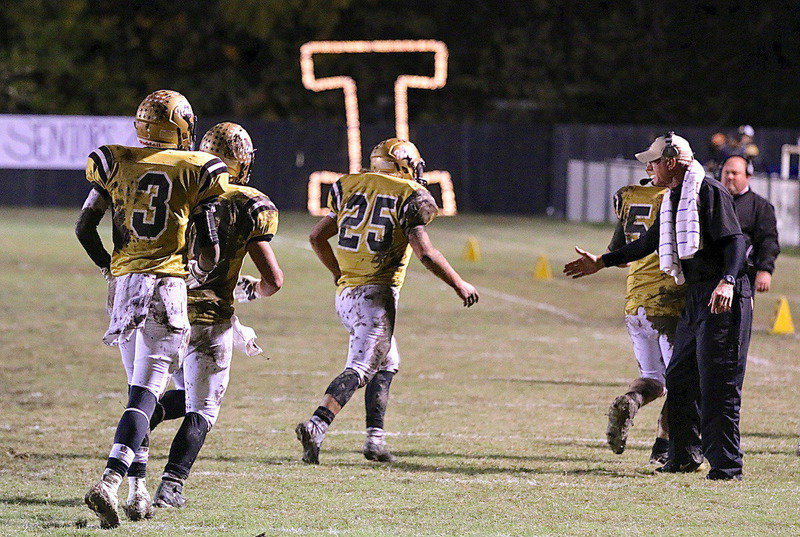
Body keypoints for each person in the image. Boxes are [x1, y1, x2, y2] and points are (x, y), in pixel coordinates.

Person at [75, 90, 228, 527]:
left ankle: (138, 491)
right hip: (167, 285)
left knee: (137, 391)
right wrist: (197, 273)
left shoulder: (115, 161)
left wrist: (111, 265)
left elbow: (84, 228)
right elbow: (210, 251)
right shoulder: (198, 170)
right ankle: (110, 480)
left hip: (124, 285)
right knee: (147, 391)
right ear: (180, 126)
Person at [565, 132, 752, 481]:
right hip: (695, 297)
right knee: (679, 378)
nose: (647, 166)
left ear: (671, 162)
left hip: (721, 297)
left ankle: (727, 466)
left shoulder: (708, 191)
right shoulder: (672, 198)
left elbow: (735, 242)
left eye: (652, 160)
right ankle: (683, 455)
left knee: (718, 384)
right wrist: (602, 262)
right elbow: (647, 244)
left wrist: (727, 281)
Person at [295, 138, 479, 464]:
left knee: (388, 362)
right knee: (362, 368)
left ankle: (375, 441)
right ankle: (316, 425)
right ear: (404, 165)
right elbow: (426, 253)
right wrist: (458, 283)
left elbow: (316, 237)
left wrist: (339, 272)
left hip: (347, 294)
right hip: (376, 295)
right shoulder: (408, 195)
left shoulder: (351, 184)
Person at [140, 122, 283, 509]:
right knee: (202, 409)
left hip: (163, 310)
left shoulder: (181, 184)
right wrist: (250, 289)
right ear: (241, 161)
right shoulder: (249, 202)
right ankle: (171, 486)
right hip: (210, 318)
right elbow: (274, 280)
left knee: (160, 391)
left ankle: (139, 425)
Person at [605, 178, 685, 464]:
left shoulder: (629, 195)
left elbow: (619, 255)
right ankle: (662, 449)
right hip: (668, 301)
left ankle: (633, 400)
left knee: (654, 379)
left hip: (635, 303)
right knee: (682, 383)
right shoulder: (679, 196)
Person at [719, 155, 780, 293]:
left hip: (742, 279)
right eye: (726, 172)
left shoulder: (760, 206)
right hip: (710, 276)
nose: (729, 177)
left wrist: (765, 269)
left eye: (735, 173)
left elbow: (768, 239)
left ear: (748, 176)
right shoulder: (711, 201)